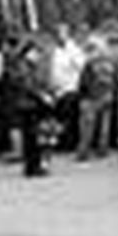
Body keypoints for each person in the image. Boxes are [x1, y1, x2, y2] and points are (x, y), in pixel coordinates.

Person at [3, 40, 52, 178]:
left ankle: (32, 166)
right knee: (32, 137)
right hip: (27, 104)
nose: (37, 55)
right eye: (35, 52)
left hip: (27, 103)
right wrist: (43, 96)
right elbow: (28, 85)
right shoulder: (24, 66)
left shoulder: (26, 65)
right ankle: (32, 166)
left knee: (31, 137)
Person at [75, 35, 118, 162]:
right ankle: (102, 149)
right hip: (107, 95)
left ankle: (83, 151)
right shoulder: (110, 64)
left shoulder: (90, 64)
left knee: (87, 127)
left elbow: (84, 81)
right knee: (104, 126)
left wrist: (82, 96)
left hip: (91, 97)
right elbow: (116, 80)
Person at [47, 23, 86, 152]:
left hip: (70, 89)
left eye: (61, 33)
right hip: (56, 91)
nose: (58, 36)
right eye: (57, 34)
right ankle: (62, 143)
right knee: (59, 118)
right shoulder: (55, 50)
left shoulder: (74, 50)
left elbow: (81, 68)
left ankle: (69, 144)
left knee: (68, 118)